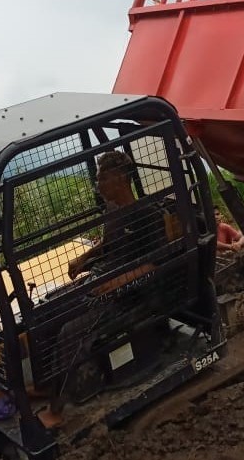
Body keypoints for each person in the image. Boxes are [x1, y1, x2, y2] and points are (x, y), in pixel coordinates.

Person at [38, 150, 164, 427]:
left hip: (127, 294)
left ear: (120, 179)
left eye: (103, 179)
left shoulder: (147, 215)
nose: (99, 185)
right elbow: (107, 245)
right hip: (99, 281)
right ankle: (50, 383)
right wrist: (85, 258)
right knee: (45, 313)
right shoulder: (112, 211)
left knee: (70, 332)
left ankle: (56, 409)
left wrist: (113, 283)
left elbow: (153, 265)